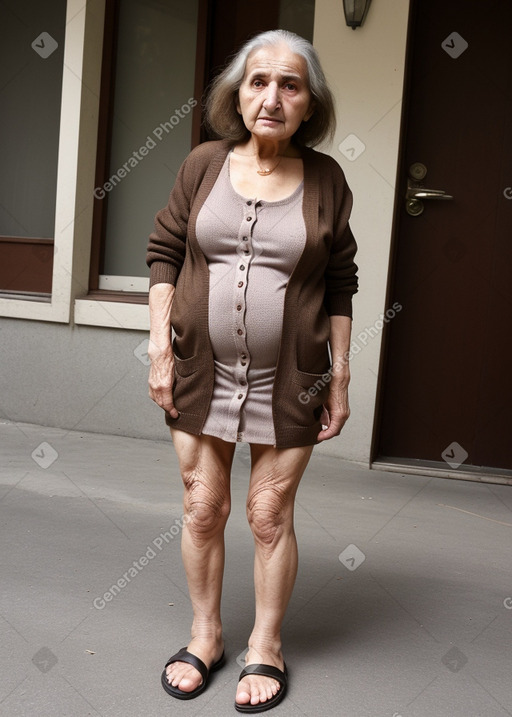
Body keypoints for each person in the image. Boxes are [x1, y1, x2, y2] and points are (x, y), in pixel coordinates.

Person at [146, 28, 358, 713]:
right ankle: (205, 634)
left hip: (292, 373)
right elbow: (164, 255)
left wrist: (342, 376)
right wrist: (158, 349)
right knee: (202, 505)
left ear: (308, 104)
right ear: (236, 95)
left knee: (270, 513)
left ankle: (265, 645)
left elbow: (340, 281)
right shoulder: (202, 164)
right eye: (258, 81)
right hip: (200, 368)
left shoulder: (326, 177)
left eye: (290, 85)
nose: (272, 96)